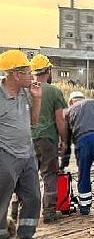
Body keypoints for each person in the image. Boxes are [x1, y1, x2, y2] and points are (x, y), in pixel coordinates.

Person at [0, 50, 51, 239]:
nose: (32, 75)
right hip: (6, 154)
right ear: (15, 74)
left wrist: (37, 99)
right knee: (1, 202)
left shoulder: (23, 93)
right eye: (27, 71)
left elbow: (33, 122)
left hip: (27, 153)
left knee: (33, 197)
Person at [11, 54, 67, 223]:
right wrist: (64, 140)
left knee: (23, 175)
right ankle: (49, 211)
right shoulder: (54, 91)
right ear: (48, 71)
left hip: (24, 140)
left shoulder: (23, 90)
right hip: (47, 140)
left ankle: (16, 208)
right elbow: (60, 119)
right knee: (49, 174)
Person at [61, 91, 94, 218]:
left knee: (83, 172)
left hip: (82, 140)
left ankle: (85, 207)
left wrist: (64, 161)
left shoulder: (68, 111)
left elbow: (66, 137)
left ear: (71, 101)